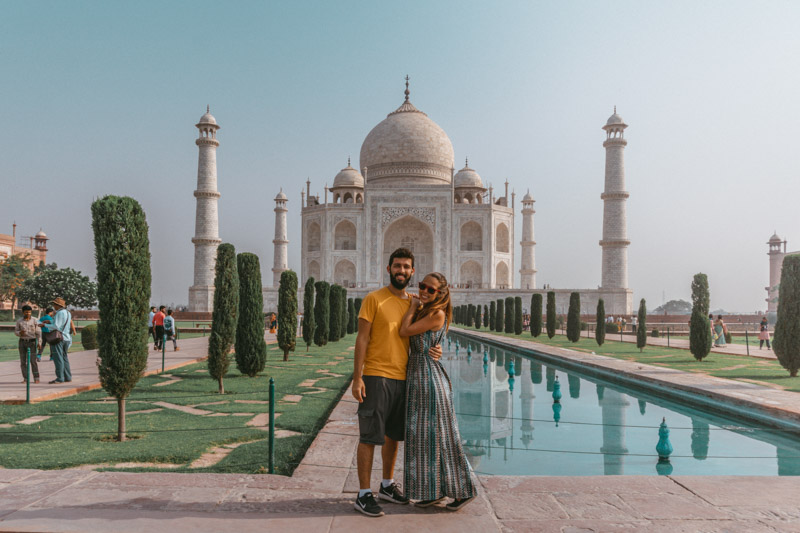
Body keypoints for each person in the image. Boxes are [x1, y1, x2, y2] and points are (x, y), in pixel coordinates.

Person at [351, 247, 442, 518]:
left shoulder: (415, 304)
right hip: (377, 375)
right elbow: (362, 339)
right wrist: (358, 377)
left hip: (404, 378)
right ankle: (363, 494)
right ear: (388, 268)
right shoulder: (374, 299)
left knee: (393, 436)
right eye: (397, 266)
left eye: (406, 267)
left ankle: (387, 485)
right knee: (370, 436)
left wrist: (434, 351)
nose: (401, 271)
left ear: (412, 271)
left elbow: (422, 337)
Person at [400, 272, 477, 511]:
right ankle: (431, 492)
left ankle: (464, 491)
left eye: (430, 289)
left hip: (429, 381)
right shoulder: (429, 311)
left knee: (444, 438)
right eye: (422, 286)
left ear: (440, 293)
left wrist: (413, 306)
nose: (423, 291)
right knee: (423, 439)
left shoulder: (437, 313)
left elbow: (405, 331)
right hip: (420, 377)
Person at [49, 297, 74, 384]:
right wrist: (50, 322)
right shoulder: (67, 313)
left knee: (58, 358)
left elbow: (56, 326)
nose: (53, 306)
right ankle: (68, 376)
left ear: (58, 305)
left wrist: (44, 326)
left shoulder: (59, 313)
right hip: (66, 338)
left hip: (59, 338)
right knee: (64, 358)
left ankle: (60, 378)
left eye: (54, 304)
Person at [15, 304, 41, 384]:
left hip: (32, 342)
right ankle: (26, 378)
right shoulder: (19, 321)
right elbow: (16, 331)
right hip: (22, 342)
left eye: (29, 312)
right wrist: (20, 333)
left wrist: (39, 342)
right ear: (23, 312)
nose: (28, 314)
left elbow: (39, 333)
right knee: (23, 362)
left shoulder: (35, 320)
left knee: (33, 361)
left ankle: (36, 378)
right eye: (26, 312)